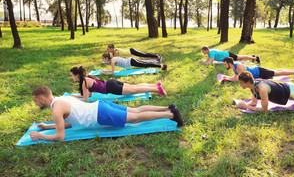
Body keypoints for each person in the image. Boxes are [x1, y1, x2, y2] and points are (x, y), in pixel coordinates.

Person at [29, 85, 183, 142]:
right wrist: (48, 127)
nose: (36, 104)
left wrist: (40, 136)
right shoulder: (61, 99)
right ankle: (167, 108)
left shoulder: (56, 110)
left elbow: (60, 137)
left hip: (101, 114)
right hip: (100, 106)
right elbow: (71, 122)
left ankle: (170, 115)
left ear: (42, 98)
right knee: (135, 110)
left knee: (136, 118)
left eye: (36, 101)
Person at [70, 66, 167, 102]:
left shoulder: (84, 82)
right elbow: (89, 94)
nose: (71, 77)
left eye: (72, 75)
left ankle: (158, 90)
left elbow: (86, 99)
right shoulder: (87, 77)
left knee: (135, 90)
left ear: (76, 75)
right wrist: (77, 95)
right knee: (135, 87)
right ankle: (156, 85)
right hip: (111, 82)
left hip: (111, 88)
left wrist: (75, 98)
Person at [222, 57, 294, 82]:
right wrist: (227, 78)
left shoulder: (238, 66)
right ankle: (293, 70)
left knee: (276, 73)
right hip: (258, 71)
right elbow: (236, 77)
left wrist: (228, 79)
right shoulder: (234, 68)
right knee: (276, 71)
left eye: (225, 64)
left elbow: (239, 78)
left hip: (260, 72)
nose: (225, 66)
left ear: (230, 63)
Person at [101, 53, 167, 75]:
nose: (103, 60)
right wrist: (105, 71)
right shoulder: (112, 60)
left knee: (146, 65)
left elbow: (112, 72)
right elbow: (112, 71)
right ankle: (162, 65)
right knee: (146, 64)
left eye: (103, 59)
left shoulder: (112, 61)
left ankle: (162, 66)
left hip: (131, 62)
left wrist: (104, 72)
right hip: (131, 60)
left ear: (107, 58)